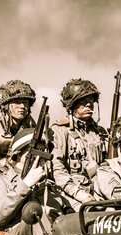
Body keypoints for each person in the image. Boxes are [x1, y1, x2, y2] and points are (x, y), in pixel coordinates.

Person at [0, 128, 65, 235]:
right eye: (34, 154)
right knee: (34, 218)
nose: (39, 160)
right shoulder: (1, 181)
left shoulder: (48, 185)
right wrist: (25, 184)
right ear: (18, 155)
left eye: (43, 154)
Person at [50, 78, 108, 210]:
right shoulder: (60, 130)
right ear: (72, 105)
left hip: (100, 190)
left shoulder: (101, 132)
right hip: (70, 194)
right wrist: (79, 194)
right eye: (83, 101)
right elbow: (57, 170)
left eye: (91, 100)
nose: (89, 104)